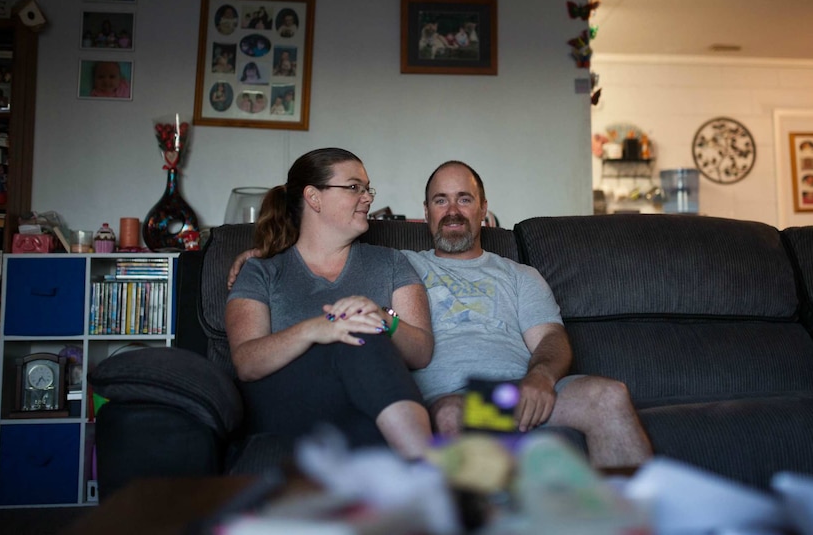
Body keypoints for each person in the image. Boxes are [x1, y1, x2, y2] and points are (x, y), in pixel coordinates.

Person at [230, 161, 653, 468]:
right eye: (440, 200)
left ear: (483, 207)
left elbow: (550, 340)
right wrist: (261, 255)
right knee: (454, 414)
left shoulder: (521, 275)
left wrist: (539, 380)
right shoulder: (397, 262)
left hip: (516, 395)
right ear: (426, 212)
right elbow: (320, 251)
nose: (452, 210)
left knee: (608, 396)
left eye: (464, 199)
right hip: (455, 400)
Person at [226, 147, 434, 459]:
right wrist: (318, 329)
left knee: (366, 328)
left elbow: (421, 352)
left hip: (365, 407)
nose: (367, 197)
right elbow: (246, 362)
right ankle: (428, 469)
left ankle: (410, 475)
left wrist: (380, 316)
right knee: (358, 332)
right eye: (354, 187)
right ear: (313, 197)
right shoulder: (262, 270)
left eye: (367, 188)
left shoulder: (390, 262)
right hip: (286, 405)